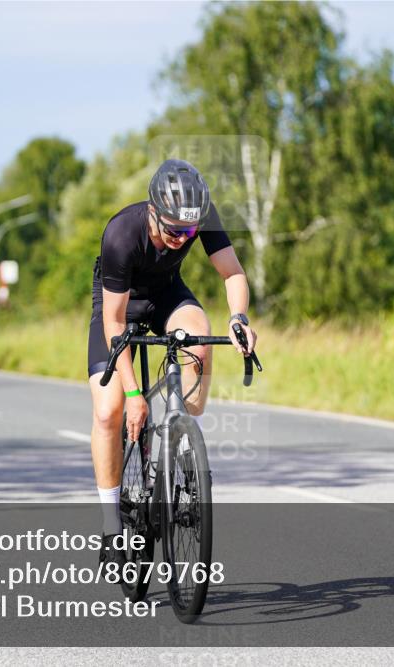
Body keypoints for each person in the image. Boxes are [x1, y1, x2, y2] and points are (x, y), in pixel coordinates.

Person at [87, 159, 257, 565]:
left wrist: (239, 318)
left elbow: (232, 273)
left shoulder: (200, 212)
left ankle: (184, 435)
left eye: (191, 231)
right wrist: (132, 393)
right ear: (153, 211)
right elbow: (113, 322)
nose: (183, 238)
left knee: (199, 341)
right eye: (173, 230)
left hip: (167, 296)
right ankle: (112, 527)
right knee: (110, 411)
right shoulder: (121, 234)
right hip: (118, 310)